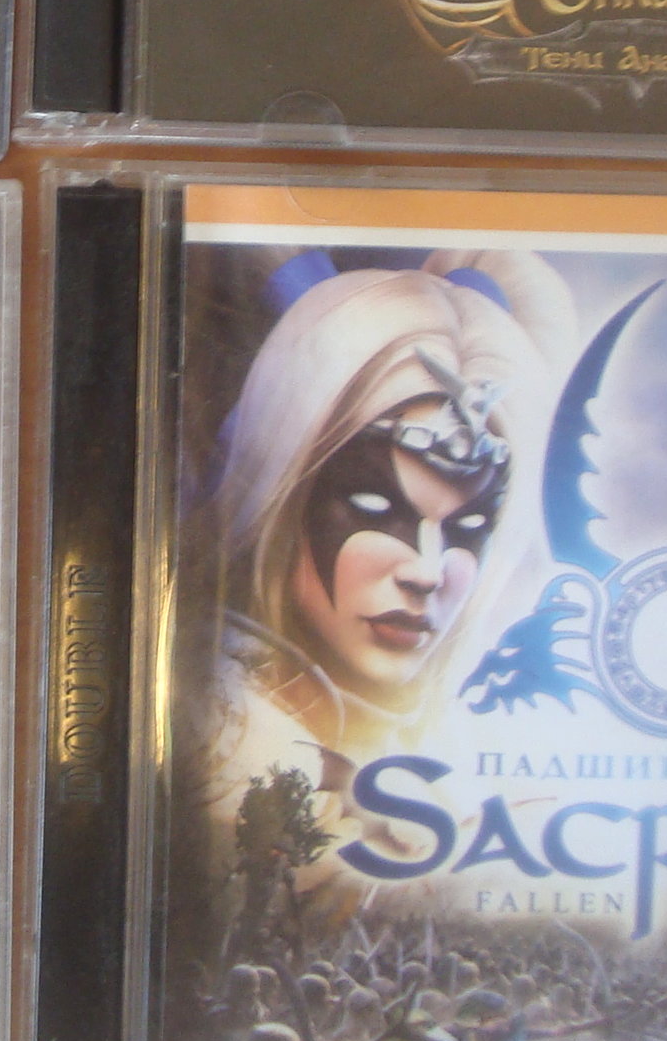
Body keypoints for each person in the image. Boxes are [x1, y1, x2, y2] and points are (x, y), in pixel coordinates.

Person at [194, 250, 572, 882]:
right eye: (375, 509)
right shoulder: (213, 728)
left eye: (467, 528)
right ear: (285, 494)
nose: (426, 569)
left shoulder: (461, 747)